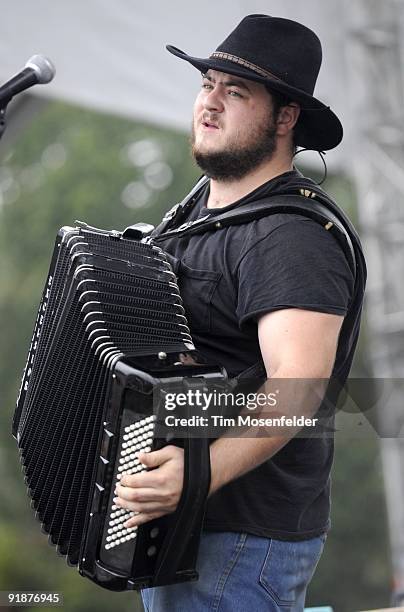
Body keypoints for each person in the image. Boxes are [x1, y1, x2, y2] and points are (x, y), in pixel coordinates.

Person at [114, 14, 366, 611]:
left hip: (239, 545)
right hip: (182, 528)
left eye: (237, 91)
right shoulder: (194, 214)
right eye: (208, 84)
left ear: (286, 119)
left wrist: (195, 474)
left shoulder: (289, 237)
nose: (210, 103)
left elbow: (299, 390)